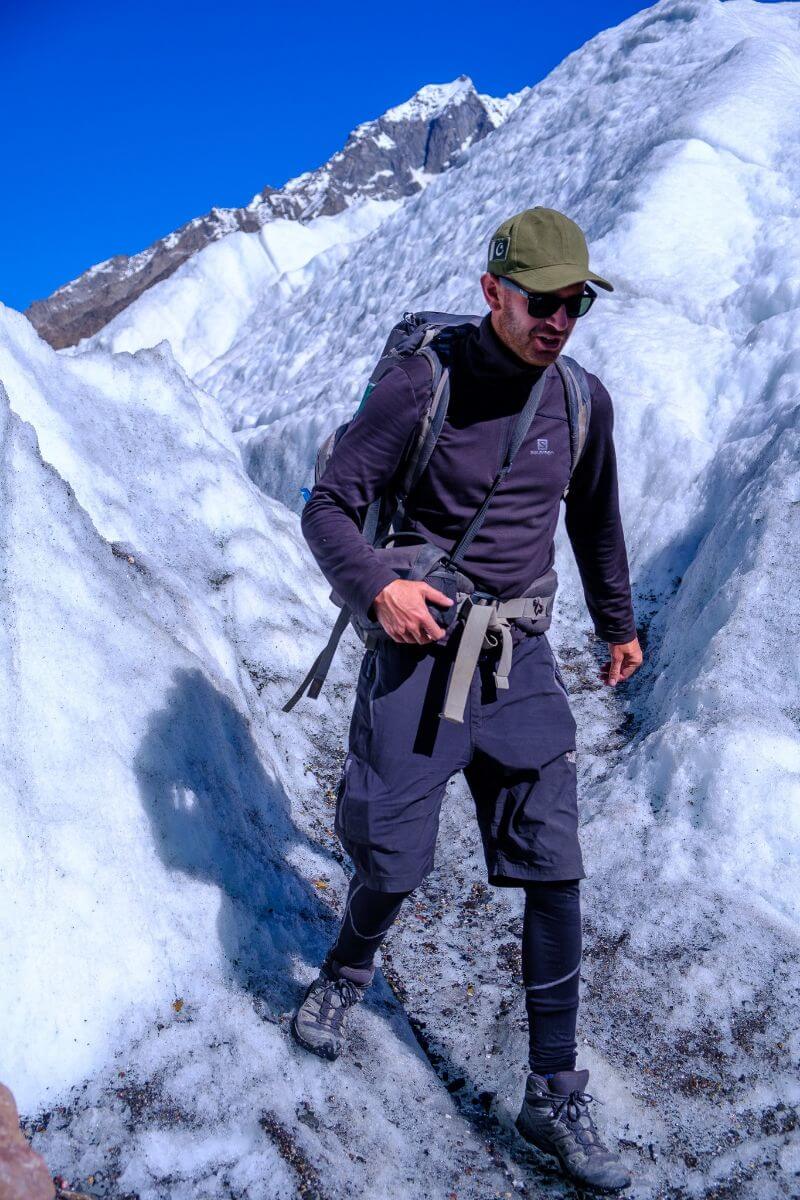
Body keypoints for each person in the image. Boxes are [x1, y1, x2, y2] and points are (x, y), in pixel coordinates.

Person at [293, 207, 643, 1193]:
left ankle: (552, 1092)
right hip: (421, 650)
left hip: (520, 653)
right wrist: (377, 589)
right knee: (394, 859)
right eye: (544, 301)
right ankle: (348, 967)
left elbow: (597, 521)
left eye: (576, 302)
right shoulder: (422, 384)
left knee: (554, 867)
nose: (560, 320)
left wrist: (615, 625)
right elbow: (325, 505)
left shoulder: (580, 402)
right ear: (494, 291)